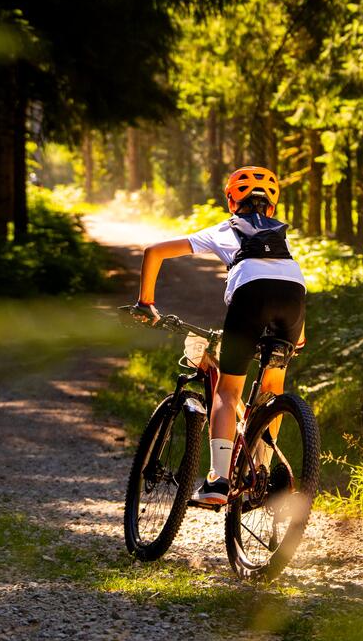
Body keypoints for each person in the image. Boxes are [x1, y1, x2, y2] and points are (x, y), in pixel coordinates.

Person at [130, 166, 306, 507]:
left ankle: (218, 481)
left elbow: (154, 252)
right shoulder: (280, 237)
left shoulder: (225, 229)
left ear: (231, 201)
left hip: (251, 297)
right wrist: (298, 337)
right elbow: (290, 281)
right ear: (271, 207)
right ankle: (263, 475)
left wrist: (145, 303)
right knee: (272, 389)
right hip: (294, 300)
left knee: (227, 390)